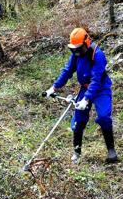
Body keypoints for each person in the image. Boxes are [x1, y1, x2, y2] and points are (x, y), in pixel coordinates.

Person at [45, 28, 118, 164]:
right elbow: (67, 71)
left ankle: (111, 151)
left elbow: (96, 80)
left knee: (103, 116)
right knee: (79, 119)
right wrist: (53, 87)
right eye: (74, 49)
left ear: (86, 42)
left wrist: (86, 99)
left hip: (101, 88)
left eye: (79, 48)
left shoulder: (98, 55)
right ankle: (77, 152)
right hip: (85, 88)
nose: (77, 52)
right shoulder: (76, 54)